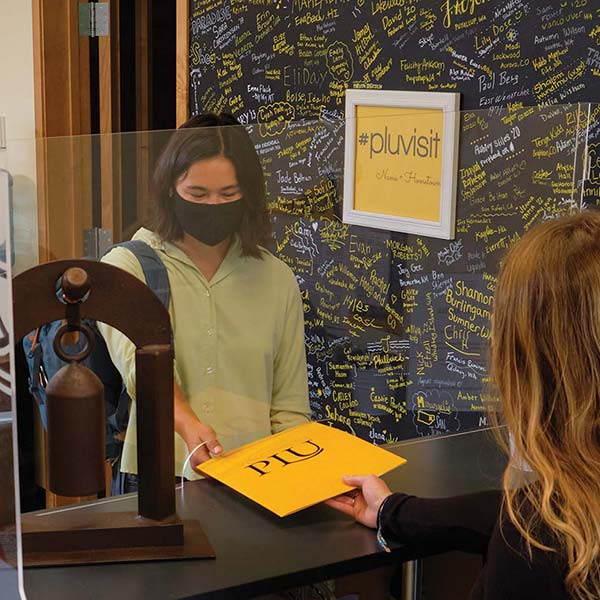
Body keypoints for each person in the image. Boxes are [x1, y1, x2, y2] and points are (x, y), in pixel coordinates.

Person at [326, 211, 600, 600]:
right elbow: (511, 511)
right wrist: (393, 512)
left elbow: (526, 521)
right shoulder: (562, 510)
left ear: (524, 356)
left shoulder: (536, 540)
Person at [99, 113, 311, 489]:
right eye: (197, 194)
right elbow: (140, 368)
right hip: (157, 480)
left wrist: (301, 482)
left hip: (257, 481)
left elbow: (289, 407)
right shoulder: (126, 267)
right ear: (169, 188)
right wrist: (186, 424)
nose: (214, 205)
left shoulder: (276, 279)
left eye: (229, 195)